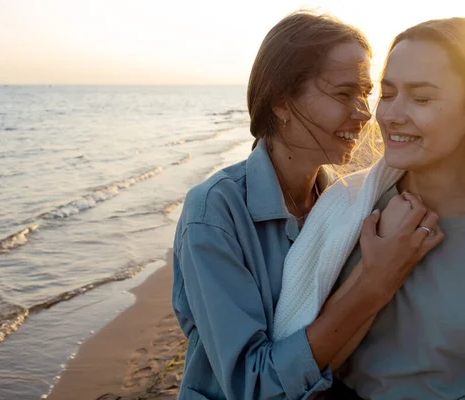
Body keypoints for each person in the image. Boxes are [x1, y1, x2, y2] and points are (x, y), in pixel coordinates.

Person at [273, 17, 465, 399]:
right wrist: (375, 273)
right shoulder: (346, 208)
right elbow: (304, 369)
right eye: (387, 93)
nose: (390, 115)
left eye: (421, 98)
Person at [172, 11, 444, 400]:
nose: (364, 112)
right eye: (343, 93)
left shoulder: (344, 204)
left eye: (365, 93)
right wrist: (375, 283)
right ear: (282, 102)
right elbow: (251, 385)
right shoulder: (214, 213)